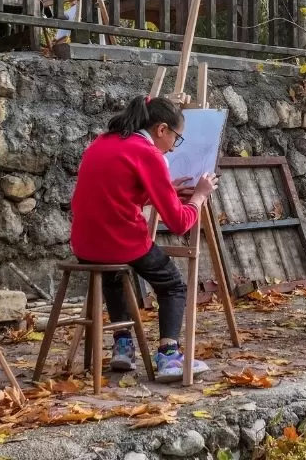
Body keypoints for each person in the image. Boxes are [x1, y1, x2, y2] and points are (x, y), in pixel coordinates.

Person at [71, 96, 219, 382]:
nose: (174, 147)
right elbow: (178, 223)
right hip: (121, 242)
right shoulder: (148, 153)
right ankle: (168, 355)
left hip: (85, 245)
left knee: (115, 279)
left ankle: (122, 346)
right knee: (173, 285)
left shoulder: (103, 141)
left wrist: (161, 190)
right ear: (161, 129)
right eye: (176, 138)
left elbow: (117, 191)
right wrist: (199, 197)